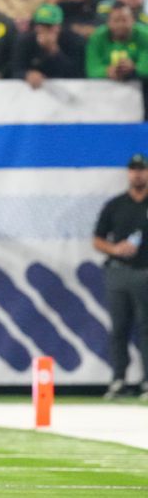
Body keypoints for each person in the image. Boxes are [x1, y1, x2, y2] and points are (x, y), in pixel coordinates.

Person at [93, 153, 148, 402]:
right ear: (128, 173)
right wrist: (115, 249)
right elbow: (97, 238)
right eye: (134, 169)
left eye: (142, 169)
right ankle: (118, 379)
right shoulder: (116, 205)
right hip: (119, 272)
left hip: (145, 271)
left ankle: (147, 381)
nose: (138, 174)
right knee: (119, 328)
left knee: (146, 328)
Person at [13, 3, 86, 88]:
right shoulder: (25, 41)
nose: (42, 29)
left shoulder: (72, 40)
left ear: (59, 27)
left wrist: (54, 51)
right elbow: (16, 69)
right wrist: (27, 74)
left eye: (48, 26)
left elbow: (76, 73)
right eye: (39, 25)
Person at [86, 1, 148, 80]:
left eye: (124, 20)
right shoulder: (97, 37)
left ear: (133, 21)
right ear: (108, 22)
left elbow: (146, 68)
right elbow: (92, 70)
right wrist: (108, 71)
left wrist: (134, 69)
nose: (120, 25)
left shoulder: (145, 36)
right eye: (116, 20)